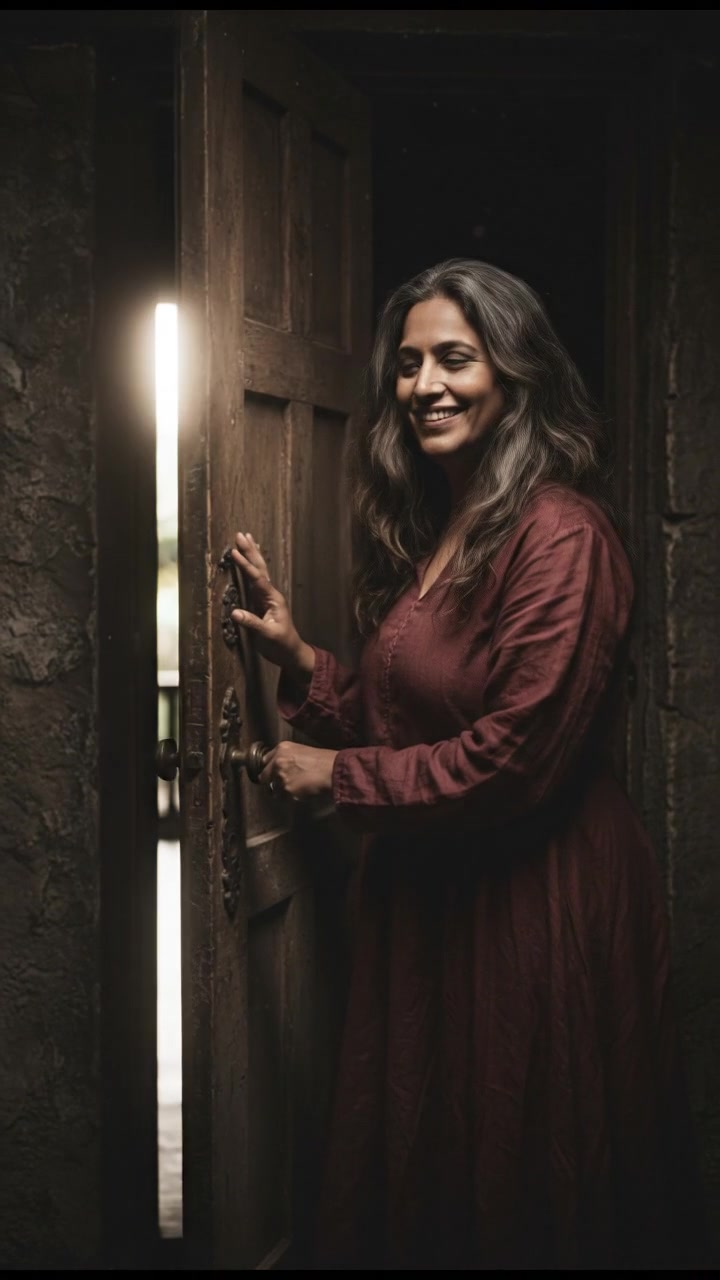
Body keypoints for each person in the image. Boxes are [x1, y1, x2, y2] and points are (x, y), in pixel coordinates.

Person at [230, 259, 706, 1269]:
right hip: (445, 893)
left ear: (517, 375)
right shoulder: (457, 523)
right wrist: (299, 659)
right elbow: (409, 710)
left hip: (533, 901)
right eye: (408, 365)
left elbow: (513, 758)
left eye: (456, 358)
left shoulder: (561, 533)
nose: (426, 386)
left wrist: (336, 777)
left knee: (522, 1171)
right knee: (438, 1169)